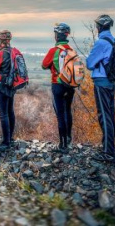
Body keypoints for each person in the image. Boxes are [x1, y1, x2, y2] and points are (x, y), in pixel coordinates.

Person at [85, 14, 115, 163]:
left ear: (98, 27)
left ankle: (108, 152)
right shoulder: (113, 40)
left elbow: (90, 63)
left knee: (104, 116)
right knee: (110, 114)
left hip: (101, 82)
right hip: (111, 82)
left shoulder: (101, 43)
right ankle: (109, 147)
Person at [42, 22, 76, 152]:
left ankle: (62, 144)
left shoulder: (54, 51)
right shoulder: (71, 50)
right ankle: (68, 138)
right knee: (68, 111)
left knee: (60, 114)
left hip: (57, 85)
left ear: (57, 36)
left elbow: (44, 65)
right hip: (70, 86)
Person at [0, 30, 20, 151]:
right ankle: (10, 138)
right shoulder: (13, 52)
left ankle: (5, 142)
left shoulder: (1, 54)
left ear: (0, 41)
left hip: (2, 86)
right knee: (10, 111)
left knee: (3, 114)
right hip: (12, 85)